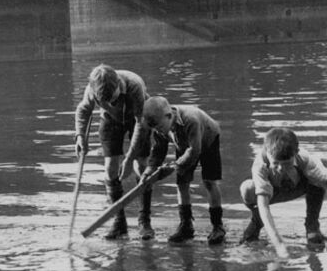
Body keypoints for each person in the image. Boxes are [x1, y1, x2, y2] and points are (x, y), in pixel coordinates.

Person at [121, 95, 226, 245]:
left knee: (209, 181)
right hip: (183, 144)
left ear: (169, 116)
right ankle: (186, 226)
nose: (160, 131)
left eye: (161, 128)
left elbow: (194, 151)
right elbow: (158, 152)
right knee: (181, 183)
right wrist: (148, 171)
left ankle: (218, 226)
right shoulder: (160, 126)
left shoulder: (191, 120)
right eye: (156, 129)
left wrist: (175, 166)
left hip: (208, 138)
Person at [239, 126, 327, 260]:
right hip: (272, 191)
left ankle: (312, 227)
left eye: (287, 164)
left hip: (298, 186)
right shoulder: (260, 165)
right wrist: (279, 245)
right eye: (276, 164)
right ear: (267, 152)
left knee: (319, 179)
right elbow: (263, 204)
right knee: (247, 188)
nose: (281, 169)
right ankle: (257, 221)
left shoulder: (305, 159)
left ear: (296, 153)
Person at [74, 64, 151, 240]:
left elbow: (141, 123)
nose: (111, 103)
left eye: (113, 98)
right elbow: (83, 110)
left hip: (138, 119)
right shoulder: (92, 89)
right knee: (110, 169)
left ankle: (144, 222)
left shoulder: (134, 85)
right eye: (105, 101)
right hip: (110, 120)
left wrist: (130, 158)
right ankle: (119, 223)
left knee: (142, 164)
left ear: (118, 85)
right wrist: (80, 136)